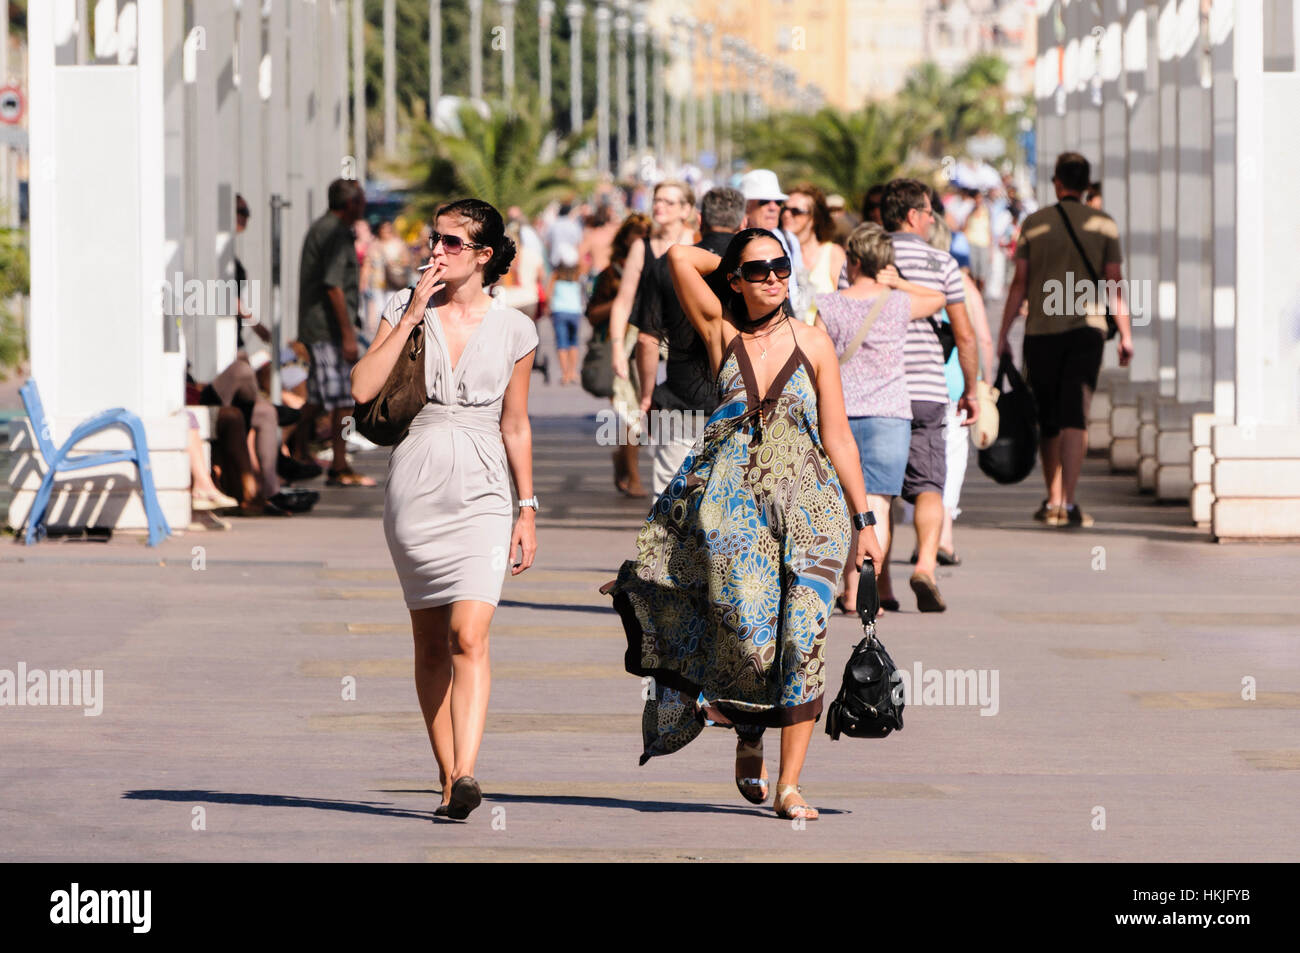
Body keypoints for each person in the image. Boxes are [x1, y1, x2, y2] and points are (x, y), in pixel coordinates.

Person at [605, 228, 884, 822]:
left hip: (813, 512)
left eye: (782, 266)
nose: (774, 278)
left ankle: (790, 785)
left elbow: (838, 436)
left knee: (803, 639)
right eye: (758, 270)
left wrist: (865, 521)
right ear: (733, 279)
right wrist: (735, 254)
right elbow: (679, 258)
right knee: (751, 641)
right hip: (737, 516)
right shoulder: (720, 333)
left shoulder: (814, 341)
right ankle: (749, 728)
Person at [351, 198, 539, 821]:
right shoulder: (403, 308)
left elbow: (516, 424)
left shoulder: (516, 329)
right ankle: (447, 775)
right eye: (435, 240)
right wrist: (409, 315)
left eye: (452, 242)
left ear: (483, 255)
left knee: (469, 634)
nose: (436, 251)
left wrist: (527, 508)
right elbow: (361, 387)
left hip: (484, 489)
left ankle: (466, 772)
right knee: (431, 645)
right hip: (417, 484)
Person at [998, 152, 1133, 528]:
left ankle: (1053, 499)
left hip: (1041, 332)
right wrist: (1125, 334)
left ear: (1057, 183)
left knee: (1049, 417)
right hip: (1087, 331)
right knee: (1076, 415)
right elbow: (1114, 282)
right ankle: (1070, 503)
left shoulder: (1034, 222)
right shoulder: (1104, 225)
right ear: (1087, 185)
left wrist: (1003, 333)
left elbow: (1019, 282)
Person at [817, 223, 946, 613]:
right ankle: (861, 592)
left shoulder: (830, 304)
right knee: (878, 506)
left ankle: (847, 588)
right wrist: (899, 282)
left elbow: (815, 354)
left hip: (838, 412)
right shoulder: (897, 303)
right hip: (889, 415)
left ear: (854, 261)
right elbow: (938, 298)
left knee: (843, 506)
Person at [880, 179, 979, 613]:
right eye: (928, 212)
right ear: (913, 216)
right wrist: (971, 389)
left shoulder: (866, 258)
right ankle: (924, 566)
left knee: (878, 492)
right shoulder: (943, 262)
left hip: (877, 391)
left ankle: (880, 584)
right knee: (928, 488)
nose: (931, 220)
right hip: (926, 389)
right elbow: (964, 333)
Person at [630, 186, 744, 496]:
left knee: (671, 503)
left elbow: (647, 338)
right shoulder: (756, 272)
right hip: (739, 403)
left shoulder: (666, 266)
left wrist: (647, 395)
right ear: (743, 223)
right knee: (731, 504)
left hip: (681, 402)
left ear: (700, 219)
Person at [608, 180, 695, 497]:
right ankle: (633, 468)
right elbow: (623, 301)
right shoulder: (641, 247)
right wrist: (617, 347)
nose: (659, 207)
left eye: (669, 202)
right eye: (657, 200)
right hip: (644, 340)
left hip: (682, 346)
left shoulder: (696, 244)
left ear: (686, 209)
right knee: (636, 410)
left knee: (673, 418)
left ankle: (671, 475)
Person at [922, 216, 995, 567]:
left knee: (922, 458)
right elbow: (982, 338)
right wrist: (983, 383)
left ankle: (923, 539)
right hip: (955, 385)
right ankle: (944, 536)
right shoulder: (961, 282)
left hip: (917, 382)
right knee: (951, 458)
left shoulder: (907, 280)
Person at [293, 178, 376, 486]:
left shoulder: (325, 228)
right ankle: (339, 465)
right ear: (350, 203)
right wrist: (348, 335)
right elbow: (334, 286)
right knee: (343, 397)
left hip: (320, 327)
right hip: (328, 330)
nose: (364, 206)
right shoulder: (336, 233)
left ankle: (295, 449)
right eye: (361, 200)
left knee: (316, 397)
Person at [585, 212, 653, 494]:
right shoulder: (610, 274)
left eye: (648, 232)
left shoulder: (657, 267)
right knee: (631, 413)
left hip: (650, 348)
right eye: (637, 231)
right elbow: (592, 314)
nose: (643, 236)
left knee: (641, 414)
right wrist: (622, 301)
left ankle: (622, 460)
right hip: (620, 350)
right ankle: (634, 476)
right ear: (625, 238)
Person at [736, 169, 803, 313]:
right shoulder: (735, 242)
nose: (773, 207)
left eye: (778, 202)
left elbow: (797, 286)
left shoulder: (789, 239)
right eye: (764, 201)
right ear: (745, 206)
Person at [780, 183, 847, 325]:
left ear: (814, 218)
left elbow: (846, 303)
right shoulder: (778, 252)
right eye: (784, 209)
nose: (786, 214)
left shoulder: (833, 253)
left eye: (796, 211)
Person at [546, 246, 585, 386]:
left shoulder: (555, 276)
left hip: (559, 312)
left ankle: (565, 374)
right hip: (575, 312)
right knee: (573, 342)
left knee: (561, 343)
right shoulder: (577, 275)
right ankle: (573, 372)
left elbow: (548, 294)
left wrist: (547, 308)